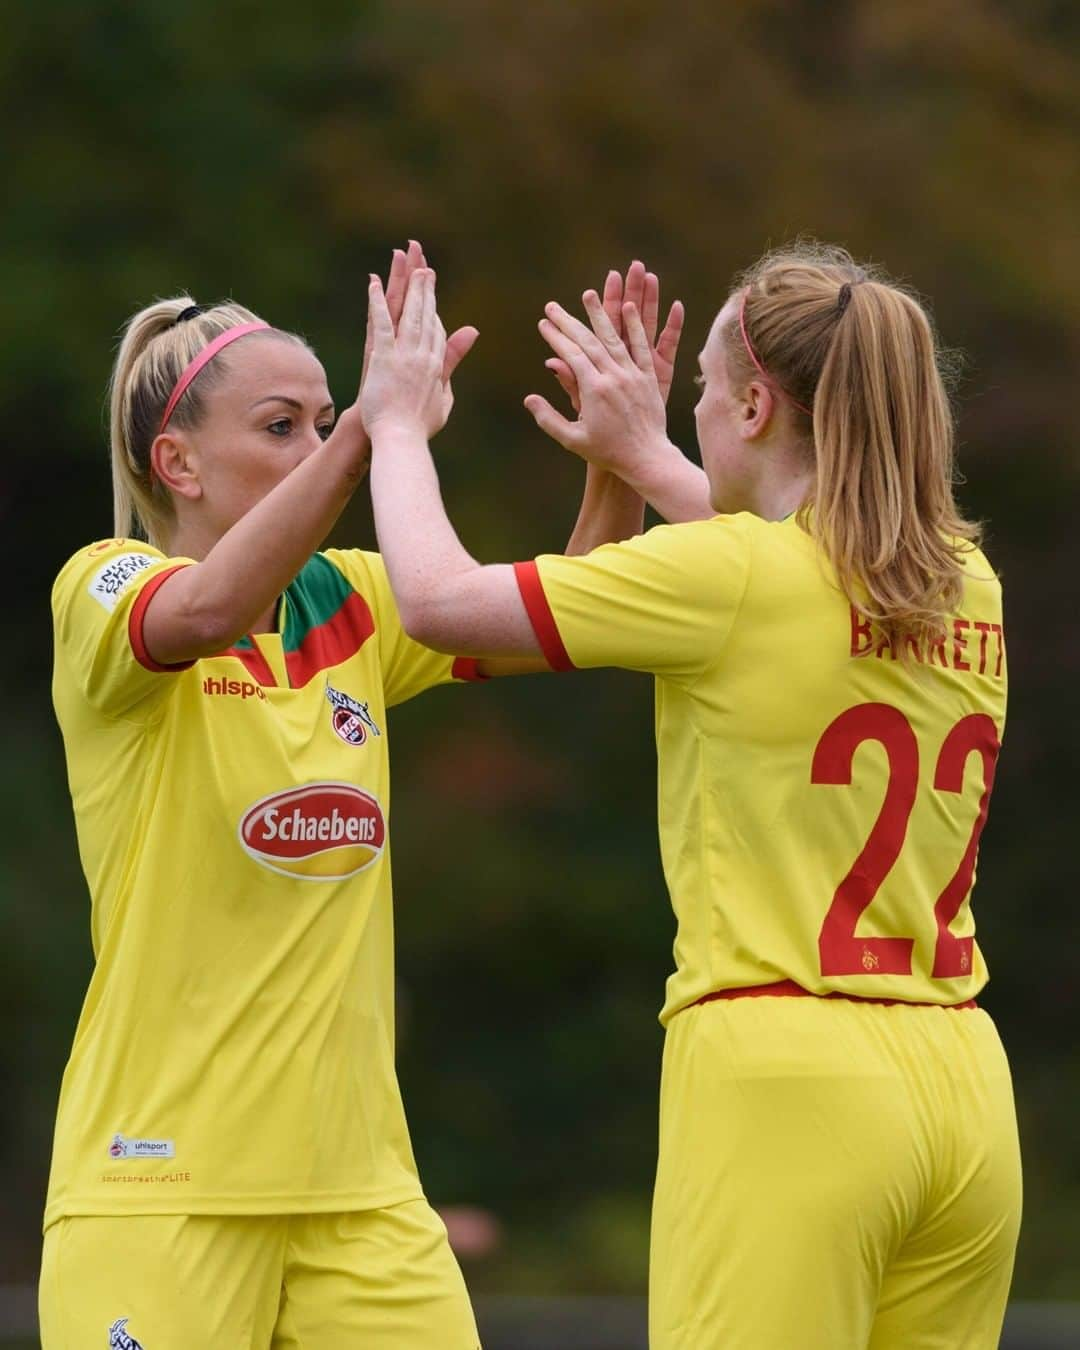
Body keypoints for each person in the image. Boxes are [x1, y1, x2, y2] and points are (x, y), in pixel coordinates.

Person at [358, 243, 1022, 1350]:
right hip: (962, 1085)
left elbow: (431, 602)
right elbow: (773, 569)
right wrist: (644, 455)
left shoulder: (730, 579)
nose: (698, 414)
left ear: (757, 404)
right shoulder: (961, 577)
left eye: (708, 392)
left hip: (787, 1079)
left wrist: (390, 428)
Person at [40, 243, 676, 1348]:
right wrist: (369, 435)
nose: (323, 441)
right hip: (162, 1184)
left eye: (327, 416)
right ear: (178, 465)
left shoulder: (352, 601)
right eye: (282, 425)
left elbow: (558, 619)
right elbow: (203, 616)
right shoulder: (107, 589)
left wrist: (618, 456)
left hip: (363, 1195)